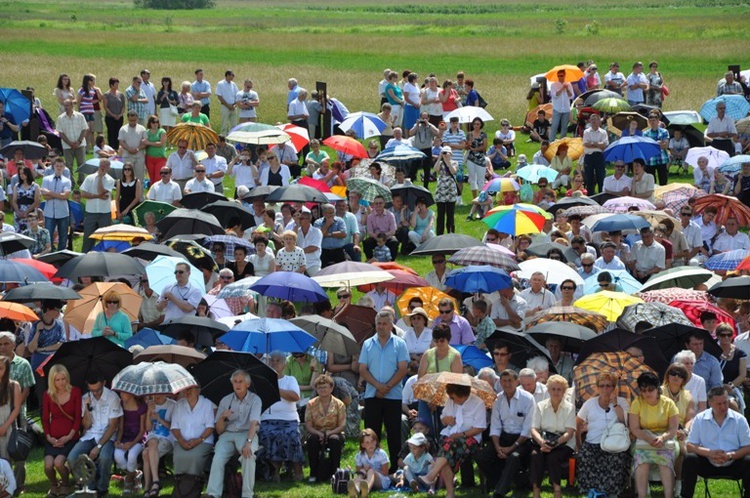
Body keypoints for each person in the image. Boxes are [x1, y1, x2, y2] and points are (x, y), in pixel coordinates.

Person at [359, 311, 409, 473]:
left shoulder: (400, 344)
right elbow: (363, 369)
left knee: (394, 434)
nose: (381, 326)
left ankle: (395, 468)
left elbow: (402, 369)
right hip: (372, 395)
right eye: (379, 323)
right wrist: (378, 386)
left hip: (393, 396)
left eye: (384, 323)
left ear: (391, 324)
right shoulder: (367, 344)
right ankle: (370, 467)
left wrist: (386, 387)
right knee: (371, 435)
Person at [416, 383, 487, 498]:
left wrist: (461, 434)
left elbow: (480, 427)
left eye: (454, 397)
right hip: (451, 435)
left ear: (463, 395)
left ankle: (435, 478)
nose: (452, 400)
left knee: (446, 448)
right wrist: (446, 419)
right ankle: (445, 489)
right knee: (446, 447)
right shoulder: (451, 401)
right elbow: (443, 419)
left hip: (471, 438)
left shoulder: (478, 403)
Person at [475, 369, 535, 498]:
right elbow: (495, 426)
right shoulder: (498, 399)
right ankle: (501, 483)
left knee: (513, 456)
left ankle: (499, 492)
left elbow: (527, 429)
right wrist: (497, 447)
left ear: (516, 381)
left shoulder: (528, 399)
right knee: (481, 456)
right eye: (504, 381)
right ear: (500, 382)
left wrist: (512, 448)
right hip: (504, 437)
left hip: (523, 440)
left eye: (510, 381)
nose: (507, 384)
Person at [682, 386, 750, 498]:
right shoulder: (700, 419)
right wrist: (710, 453)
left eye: (725, 402)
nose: (723, 407)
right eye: (719, 404)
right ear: (710, 403)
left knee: (749, 461)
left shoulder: (740, 420)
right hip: (708, 463)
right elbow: (690, 446)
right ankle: (686, 496)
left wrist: (730, 455)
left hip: (733, 463)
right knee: (690, 459)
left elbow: (748, 447)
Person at [203, 370, 262, 498]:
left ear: (248, 384)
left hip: (247, 433)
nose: (237, 384)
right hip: (228, 433)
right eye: (235, 382)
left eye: (241, 381)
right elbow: (219, 430)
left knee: (248, 455)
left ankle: (247, 494)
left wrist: (249, 442)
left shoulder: (255, 399)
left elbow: (254, 423)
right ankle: (213, 493)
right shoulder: (226, 400)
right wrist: (221, 418)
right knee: (218, 457)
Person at [67, 372, 123, 498]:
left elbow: (113, 426)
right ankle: (91, 486)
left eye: (98, 390)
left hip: (107, 436)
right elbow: (86, 426)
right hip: (90, 434)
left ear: (104, 383)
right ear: (88, 386)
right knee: (72, 457)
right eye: (93, 390)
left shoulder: (112, 397)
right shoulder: (86, 398)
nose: (96, 393)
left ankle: (102, 488)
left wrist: (98, 447)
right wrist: (87, 408)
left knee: (105, 457)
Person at [576, 372, 631, 496]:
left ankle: (610, 491)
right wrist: (579, 444)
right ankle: (591, 491)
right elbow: (578, 423)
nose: (605, 389)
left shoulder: (622, 402)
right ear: (597, 387)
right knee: (586, 456)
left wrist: (615, 404)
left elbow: (625, 422)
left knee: (617, 459)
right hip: (592, 442)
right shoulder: (590, 403)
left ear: (613, 387)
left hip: (614, 444)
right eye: (601, 386)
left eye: (608, 386)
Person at [629, 371, 680, 498]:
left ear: (657, 388)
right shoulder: (637, 403)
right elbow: (634, 428)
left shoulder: (668, 403)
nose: (647, 393)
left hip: (666, 437)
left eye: (650, 389)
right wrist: (649, 438)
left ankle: (669, 495)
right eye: (643, 390)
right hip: (643, 437)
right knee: (641, 459)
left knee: (665, 459)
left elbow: (673, 428)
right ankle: (642, 495)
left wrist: (662, 438)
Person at [258, 351, 304, 482]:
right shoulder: (262, 381)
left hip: (289, 419)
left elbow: (295, 397)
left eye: (278, 361)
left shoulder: (290, 380)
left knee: (290, 434)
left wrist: (275, 388)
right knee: (267, 434)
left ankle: (297, 470)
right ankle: (274, 471)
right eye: (272, 360)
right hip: (267, 418)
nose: (274, 363)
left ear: (284, 364)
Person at [529, 374, 574, 498]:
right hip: (542, 441)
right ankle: (536, 490)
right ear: (548, 390)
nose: (556, 392)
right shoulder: (540, 406)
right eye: (553, 389)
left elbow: (569, 433)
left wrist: (554, 445)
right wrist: (541, 442)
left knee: (553, 457)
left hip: (563, 443)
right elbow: (534, 429)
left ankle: (557, 490)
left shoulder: (570, 408)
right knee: (535, 456)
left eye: (559, 389)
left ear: (564, 391)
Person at [42, 364, 80, 498]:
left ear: (67, 378)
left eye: (63, 379)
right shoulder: (47, 394)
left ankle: (65, 484)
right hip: (53, 438)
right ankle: (54, 485)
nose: (61, 382)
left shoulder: (75, 391)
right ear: (52, 381)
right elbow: (45, 419)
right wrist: (49, 437)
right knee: (48, 466)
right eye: (57, 380)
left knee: (59, 463)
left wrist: (69, 436)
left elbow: (77, 419)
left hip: (70, 437)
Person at [304, 374, 346, 482]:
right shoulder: (311, 404)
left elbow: (342, 425)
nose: (322, 390)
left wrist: (329, 434)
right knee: (312, 440)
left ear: (331, 388)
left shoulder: (339, 404)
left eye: (325, 387)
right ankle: (313, 473)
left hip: (335, 432)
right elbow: (308, 425)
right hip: (316, 432)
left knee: (334, 440)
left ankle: (335, 473)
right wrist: (320, 434)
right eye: (319, 387)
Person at [170, 384, 215, 481]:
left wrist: (198, 440)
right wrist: (182, 441)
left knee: (194, 457)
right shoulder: (179, 404)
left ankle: (193, 482)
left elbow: (210, 426)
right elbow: (174, 426)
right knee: (179, 457)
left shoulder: (207, 404)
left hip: (203, 440)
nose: (187, 392)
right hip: (181, 440)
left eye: (190, 389)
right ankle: (180, 483)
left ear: (198, 391)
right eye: (185, 389)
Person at [27, 300, 65, 406]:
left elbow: (61, 344)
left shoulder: (59, 325)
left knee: (57, 392)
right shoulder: (35, 326)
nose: (58, 313)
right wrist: (38, 332)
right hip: (38, 364)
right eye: (56, 310)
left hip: (55, 361)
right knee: (42, 393)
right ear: (48, 310)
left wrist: (43, 349)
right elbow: (31, 348)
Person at [141, 393, 174, 498]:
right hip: (153, 438)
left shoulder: (172, 405)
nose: (156, 396)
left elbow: (173, 427)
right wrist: (148, 412)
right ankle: (155, 482)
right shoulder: (150, 405)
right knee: (152, 441)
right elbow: (148, 429)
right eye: (154, 394)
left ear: (165, 393)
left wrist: (159, 419)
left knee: (146, 454)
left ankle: (147, 487)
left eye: (159, 394)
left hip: (167, 438)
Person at [113, 391, 146, 494]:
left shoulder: (141, 406)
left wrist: (132, 444)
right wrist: (118, 440)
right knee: (118, 456)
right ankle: (135, 475)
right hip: (125, 437)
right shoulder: (121, 405)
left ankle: (128, 480)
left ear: (132, 394)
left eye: (124, 393)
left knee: (132, 455)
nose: (121, 395)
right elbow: (121, 427)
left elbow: (142, 430)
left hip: (138, 438)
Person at [80, 158, 115, 252]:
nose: (102, 167)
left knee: (105, 237)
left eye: (105, 165)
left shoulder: (110, 180)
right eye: (101, 165)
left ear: (108, 168)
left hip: (104, 213)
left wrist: (100, 178)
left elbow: (101, 190)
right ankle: (85, 256)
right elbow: (83, 194)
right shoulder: (89, 178)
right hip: (91, 212)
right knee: (88, 237)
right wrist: (98, 196)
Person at [57, 99, 88, 179]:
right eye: (64, 105)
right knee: (68, 165)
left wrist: (79, 141)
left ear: (72, 106)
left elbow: (84, 129)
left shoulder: (80, 116)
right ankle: (70, 183)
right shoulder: (60, 118)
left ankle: (81, 181)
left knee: (81, 164)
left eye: (67, 105)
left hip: (80, 145)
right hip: (67, 146)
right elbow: (61, 133)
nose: (65, 107)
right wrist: (69, 143)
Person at [363, 195, 398, 261]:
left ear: (384, 203)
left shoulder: (390, 215)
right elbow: (370, 232)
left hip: (387, 237)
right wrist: (378, 238)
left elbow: (393, 231)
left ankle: (391, 261)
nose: (378, 205)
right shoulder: (370, 217)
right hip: (375, 237)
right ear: (374, 204)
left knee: (394, 242)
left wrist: (383, 237)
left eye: (380, 203)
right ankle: (370, 260)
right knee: (366, 242)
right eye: (376, 203)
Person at [434, 146, 459, 235]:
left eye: (447, 153)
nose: (445, 154)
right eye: (444, 152)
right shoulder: (440, 163)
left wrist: (448, 162)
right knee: (440, 215)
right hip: (441, 191)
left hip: (450, 191)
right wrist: (440, 157)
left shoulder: (454, 162)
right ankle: (439, 234)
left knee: (450, 215)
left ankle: (451, 233)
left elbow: (453, 171)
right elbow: (435, 169)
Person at [582, 113, 608, 194]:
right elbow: (586, 144)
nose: (594, 121)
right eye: (592, 119)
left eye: (596, 119)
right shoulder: (586, 132)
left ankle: (601, 194)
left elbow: (604, 145)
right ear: (589, 121)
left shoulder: (603, 132)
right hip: (589, 156)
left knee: (601, 176)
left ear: (599, 121)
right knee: (589, 177)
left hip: (599, 156)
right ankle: (590, 195)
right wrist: (598, 144)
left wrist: (592, 143)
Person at [643, 112, 670, 186]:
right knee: (651, 183)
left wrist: (652, 145)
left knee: (663, 182)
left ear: (658, 121)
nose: (652, 122)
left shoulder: (664, 132)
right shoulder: (645, 133)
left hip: (662, 159)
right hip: (650, 160)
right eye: (650, 121)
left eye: (654, 120)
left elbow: (665, 145)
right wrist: (657, 144)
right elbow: (646, 147)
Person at [11, 166, 40, 233]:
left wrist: (26, 212)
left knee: (30, 232)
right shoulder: (17, 186)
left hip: (30, 211)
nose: (21, 175)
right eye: (20, 174)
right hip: (19, 211)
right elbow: (14, 200)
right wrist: (18, 211)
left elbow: (36, 201)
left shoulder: (35, 186)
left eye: (23, 173)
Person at [549, 70, 573, 141]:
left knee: (564, 127)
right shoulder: (553, 85)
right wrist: (562, 88)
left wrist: (567, 89)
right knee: (554, 126)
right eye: (558, 76)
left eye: (561, 76)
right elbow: (554, 95)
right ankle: (551, 142)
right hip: (557, 108)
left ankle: (562, 142)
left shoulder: (569, 84)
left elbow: (571, 96)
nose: (560, 77)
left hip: (566, 109)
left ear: (564, 76)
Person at [143, 115, 167, 184]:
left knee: (158, 177)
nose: (155, 124)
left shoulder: (162, 131)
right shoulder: (147, 132)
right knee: (152, 178)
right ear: (150, 123)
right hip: (149, 158)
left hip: (160, 158)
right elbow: (145, 143)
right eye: (153, 122)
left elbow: (161, 143)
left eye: (157, 122)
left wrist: (149, 143)